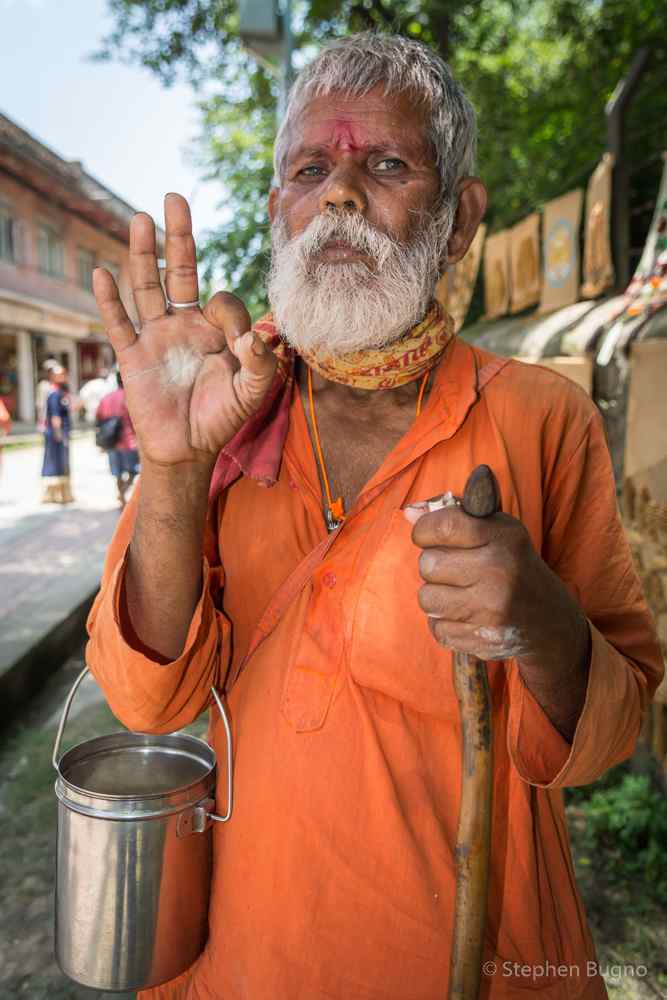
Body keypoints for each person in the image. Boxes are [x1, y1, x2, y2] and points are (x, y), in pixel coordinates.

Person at [87, 34, 663, 1000]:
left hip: (483, 966)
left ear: (458, 219)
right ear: (279, 212)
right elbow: (147, 707)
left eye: (386, 164)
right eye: (312, 169)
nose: (341, 193)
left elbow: (606, 740)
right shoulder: (221, 397)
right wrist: (176, 467)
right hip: (241, 963)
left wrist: (544, 624)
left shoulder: (536, 416)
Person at [95, 371, 140, 507]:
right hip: (129, 441)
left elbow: (98, 418)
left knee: (117, 473)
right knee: (133, 471)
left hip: (112, 443)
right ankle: (124, 492)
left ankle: (121, 495)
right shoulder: (131, 397)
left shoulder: (106, 398)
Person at [41, 366, 74, 504]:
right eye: (60, 374)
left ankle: (63, 494)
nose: (64, 377)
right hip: (56, 434)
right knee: (56, 463)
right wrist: (58, 433)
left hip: (60, 432)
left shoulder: (62, 393)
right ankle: (56, 495)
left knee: (61, 463)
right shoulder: (54, 394)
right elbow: (55, 416)